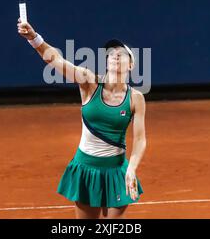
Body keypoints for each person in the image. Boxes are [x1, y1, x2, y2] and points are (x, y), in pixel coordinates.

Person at [17, 19, 147, 219]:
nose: (114, 56)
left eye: (121, 54)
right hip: (86, 169)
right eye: (111, 54)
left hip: (116, 171)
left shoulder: (136, 98)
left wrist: (132, 168)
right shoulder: (89, 82)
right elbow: (56, 60)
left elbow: (139, 139)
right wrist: (34, 38)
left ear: (130, 65)